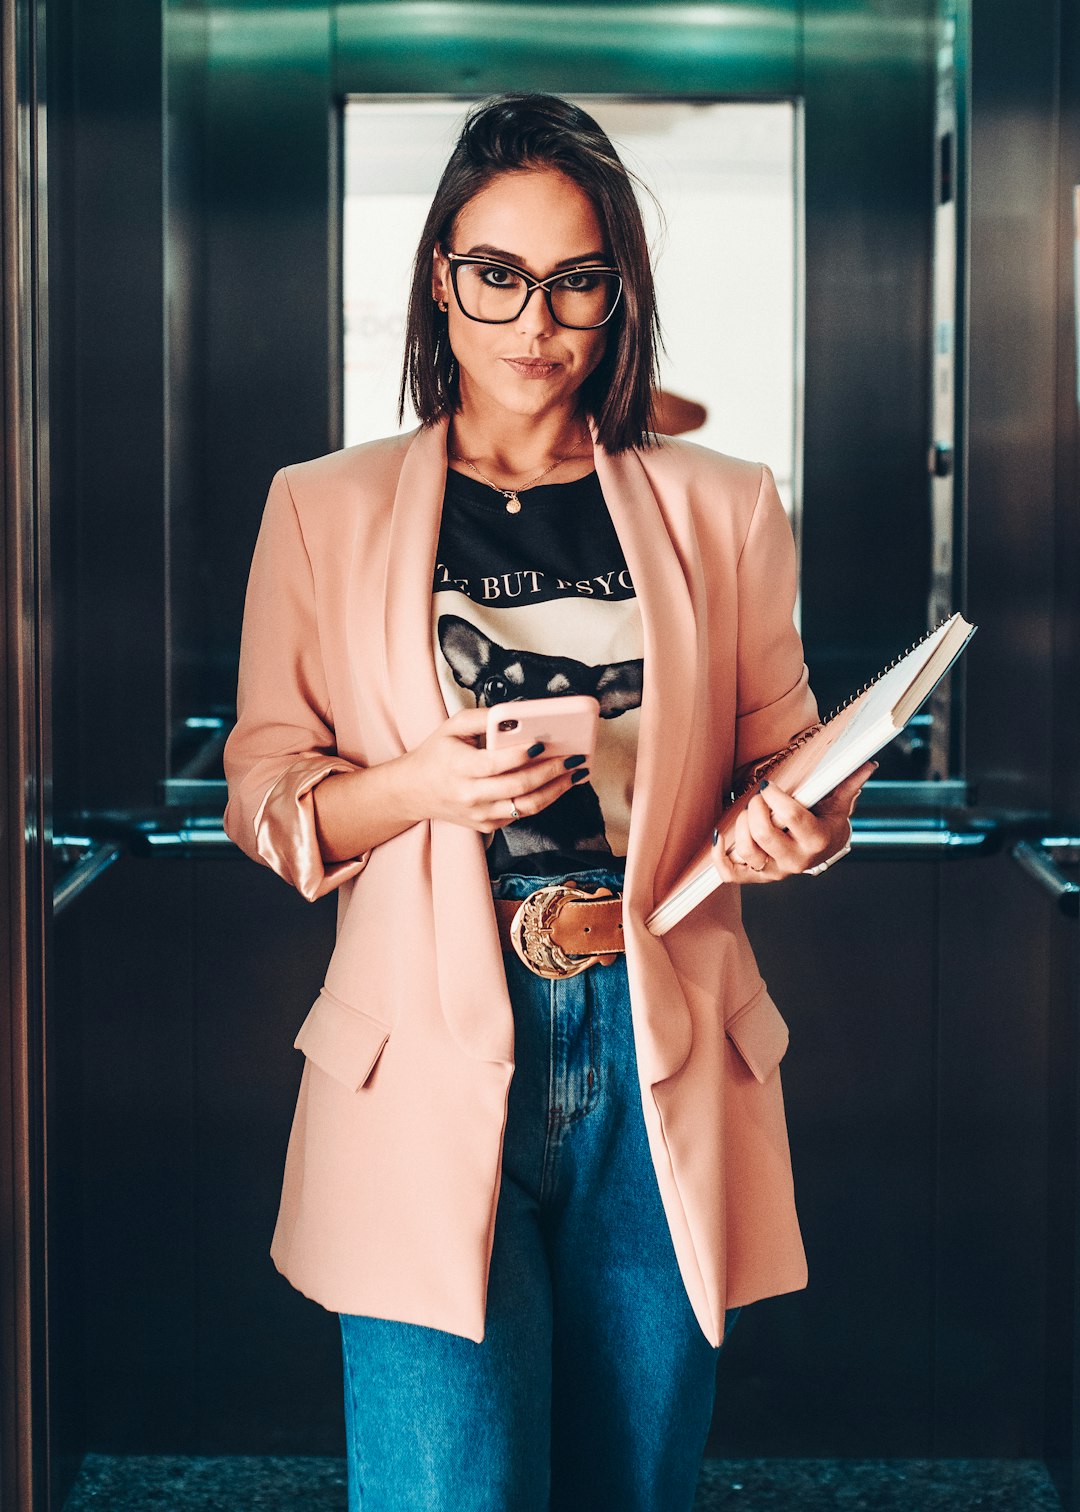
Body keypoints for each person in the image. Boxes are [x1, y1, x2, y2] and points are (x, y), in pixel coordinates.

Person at [222, 92, 873, 1512]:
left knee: (632, 1484)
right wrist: (413, 786)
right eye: (496, 275)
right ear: (439, 280)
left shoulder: (722, 503)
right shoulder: (319, 511)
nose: (537, 319)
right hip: (423, 1053)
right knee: (449, 1488)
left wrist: (799, 823)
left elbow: (789, 760)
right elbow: (265, 797)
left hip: (659, 1037)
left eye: (578, 280)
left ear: (618, 293)